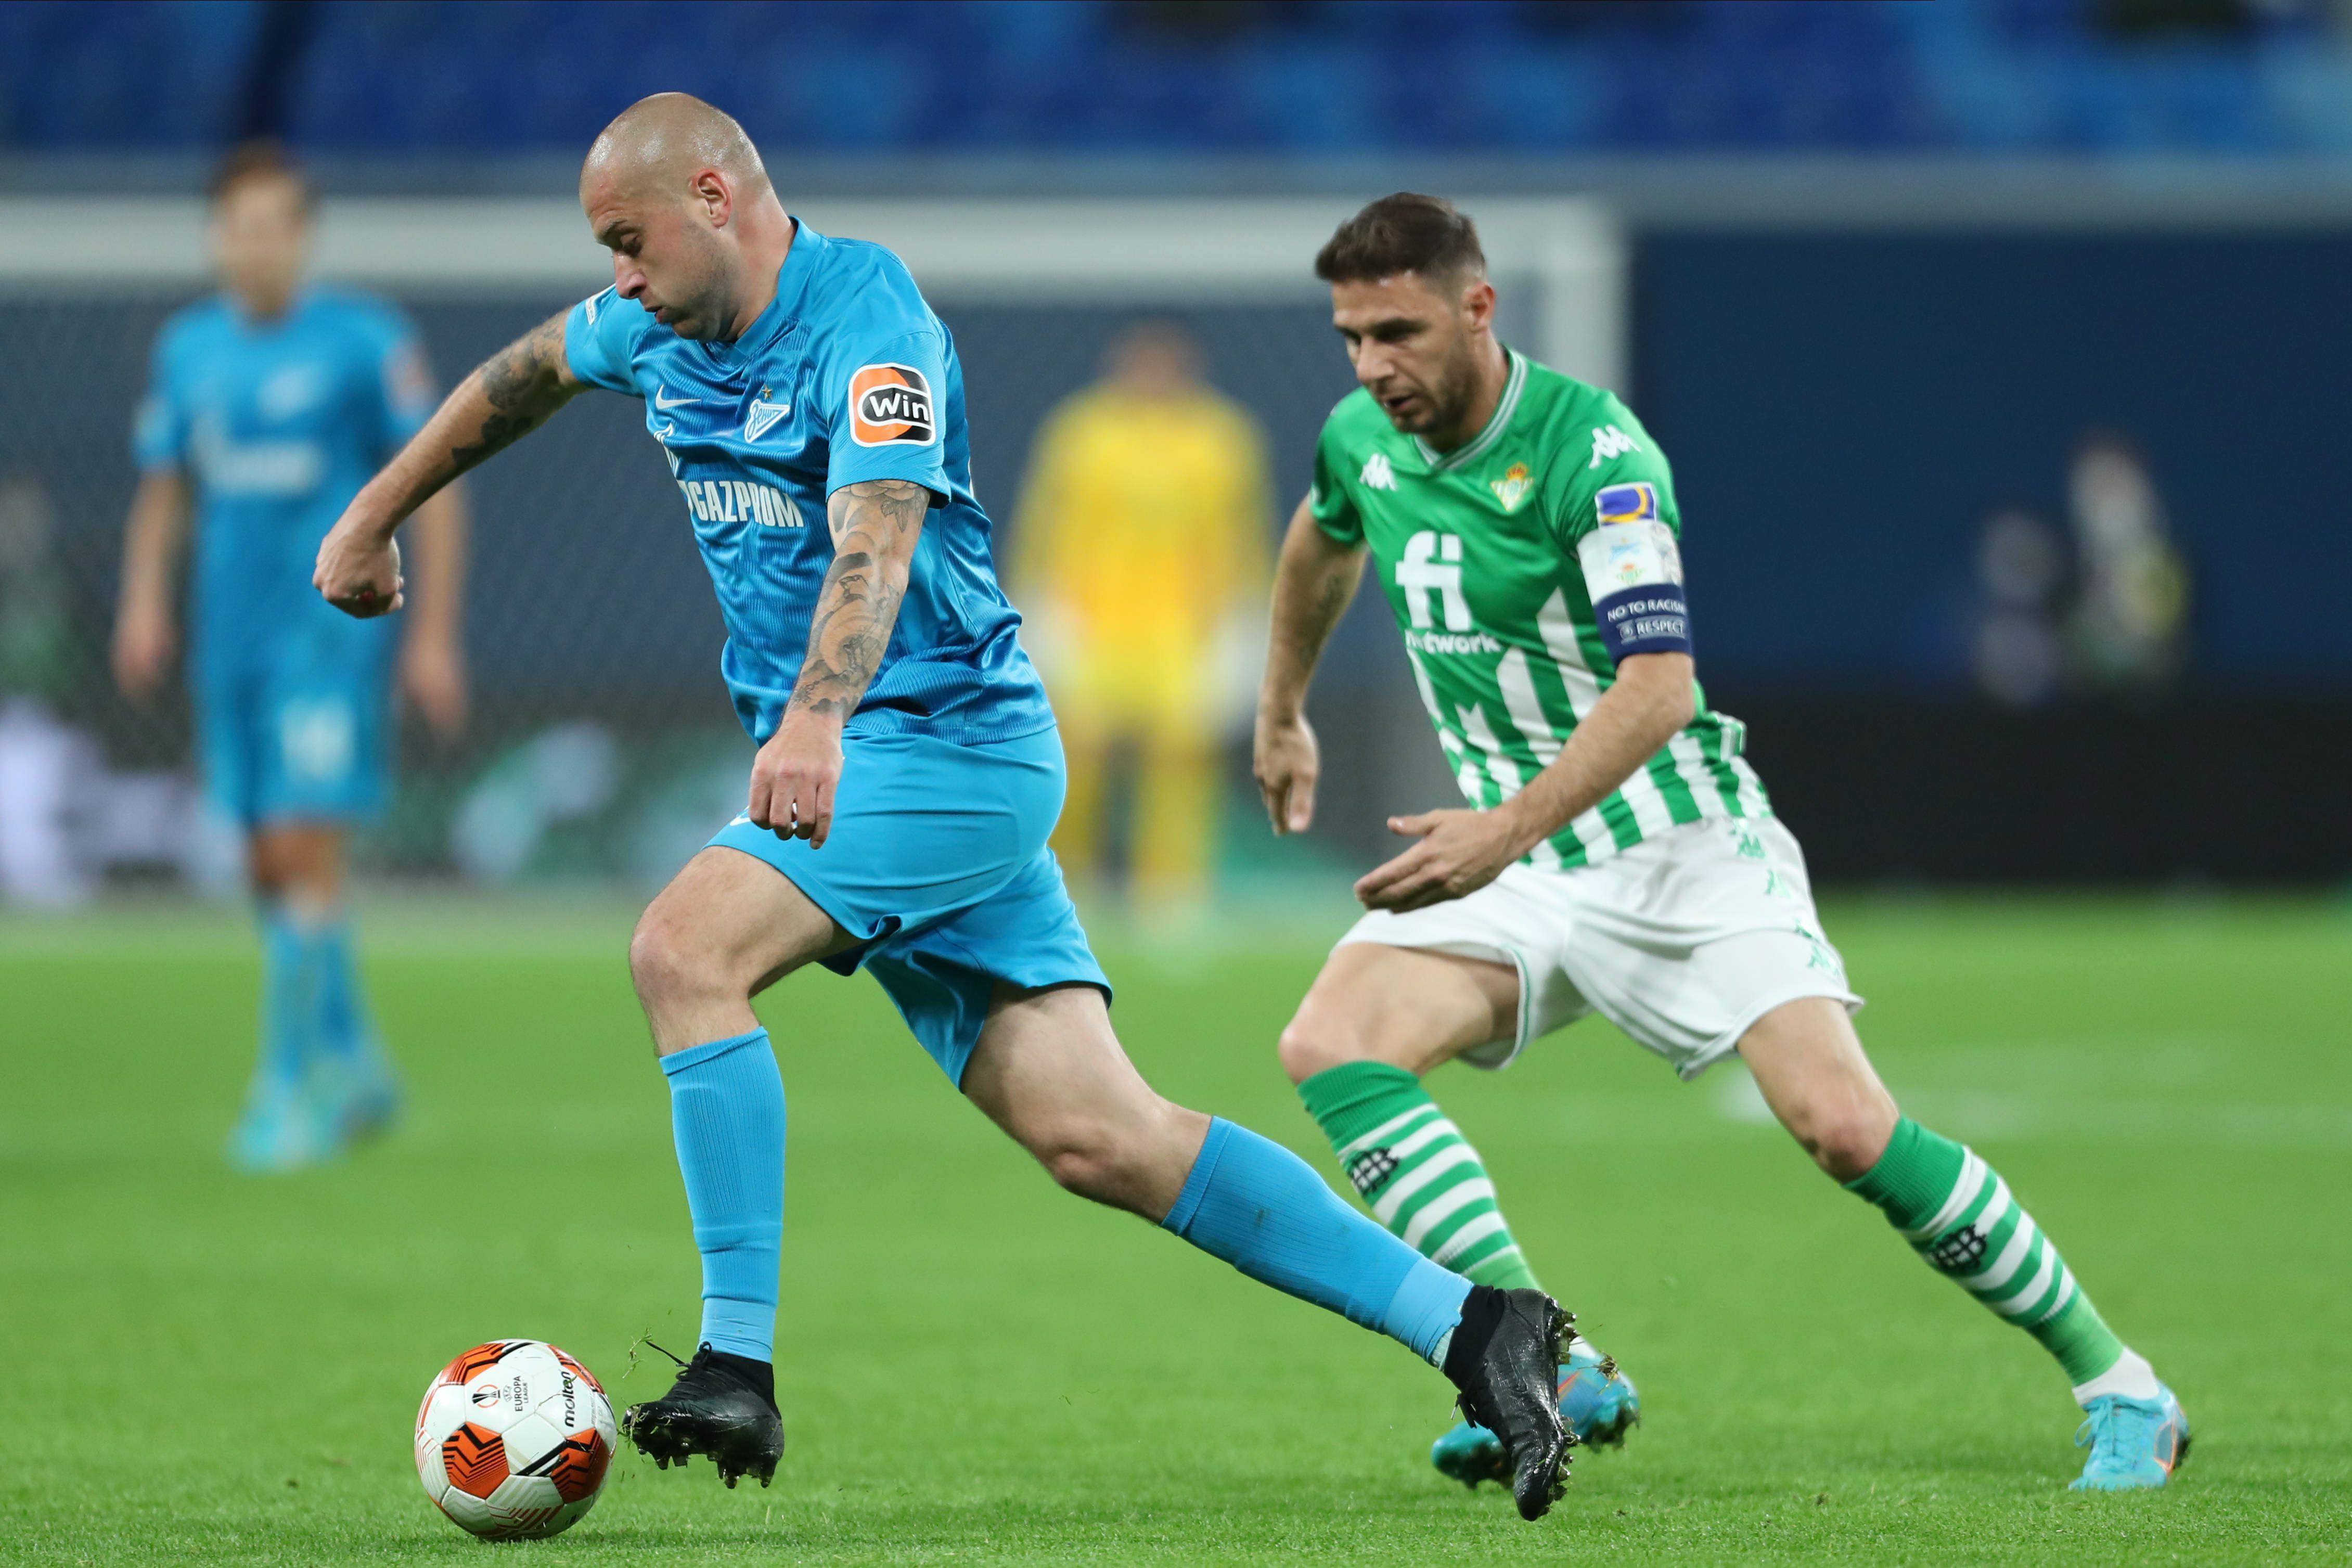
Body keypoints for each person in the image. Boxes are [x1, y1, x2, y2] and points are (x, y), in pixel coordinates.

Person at [312, 97, 1572, 1519]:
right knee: (1104, 1132)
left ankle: (736, 1357)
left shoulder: (870, 316)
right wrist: (375, 512)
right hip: (888, 763)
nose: (619, 275)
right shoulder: (649, 327)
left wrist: (814, 716)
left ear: (716, 194)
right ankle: (1480, 1327)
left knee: (684, 949)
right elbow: (521, 375)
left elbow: (881, 521)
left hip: (948, 746)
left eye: (629, 239)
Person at [1253, 193, 2187, 1494]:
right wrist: (1281, 705)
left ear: (1478, 305)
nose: (1370, 367)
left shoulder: (1594, 451)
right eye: (1350, 336)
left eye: (1396, 332)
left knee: (1841, 1125)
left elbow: (1659, 689)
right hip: (1517, 859)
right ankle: (1551, 1359)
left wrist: (1505, 827)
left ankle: (2120, 1384)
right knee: (1332, 1044)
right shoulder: (1363, 435)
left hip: (1675, 842)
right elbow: (1320, 536)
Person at [114, 144, 469, 1172]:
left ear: (302, 237)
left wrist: (433, 636)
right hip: (232, 640)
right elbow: (166, 487)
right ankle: (355, 1060)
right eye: (238, 226)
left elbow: (436, 487)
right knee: (268, 863)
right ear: (216, 238)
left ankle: (287, 1089)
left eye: (274, 225)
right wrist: (144, 603)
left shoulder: (364, 342)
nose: (255, 245)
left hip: (331, 635)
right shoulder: (189, 350)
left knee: (306, 849)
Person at [1011, 322, 1270, 916]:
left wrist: (1246, 620)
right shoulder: (1084, 432)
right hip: (1094, 622)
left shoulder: (1221, 438)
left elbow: (1241, 535)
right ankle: (1062, 882)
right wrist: (1039, 609)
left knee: (1182, 761)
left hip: (1183, 628)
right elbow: (1046, 524)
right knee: (1073, 755)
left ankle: (1171, 894)